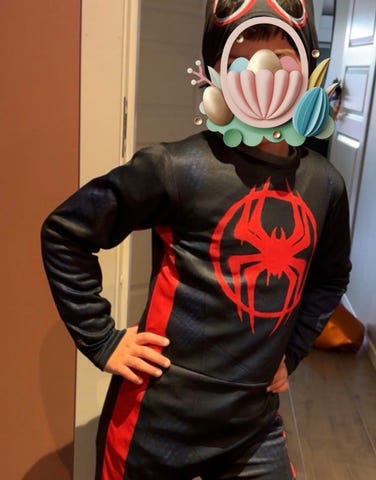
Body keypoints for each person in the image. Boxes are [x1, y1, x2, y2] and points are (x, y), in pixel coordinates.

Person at [41, 1, 351, 478]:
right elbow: (66, 233)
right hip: (157, 418)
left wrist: (291, 352)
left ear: (307, 65)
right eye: (242, 61)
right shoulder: (176, 168)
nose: (262, 74)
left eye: (281, 58)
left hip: (251, 424)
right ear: (216, 71)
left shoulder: (325, 186)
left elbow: (331, 277)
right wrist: (103, 340)